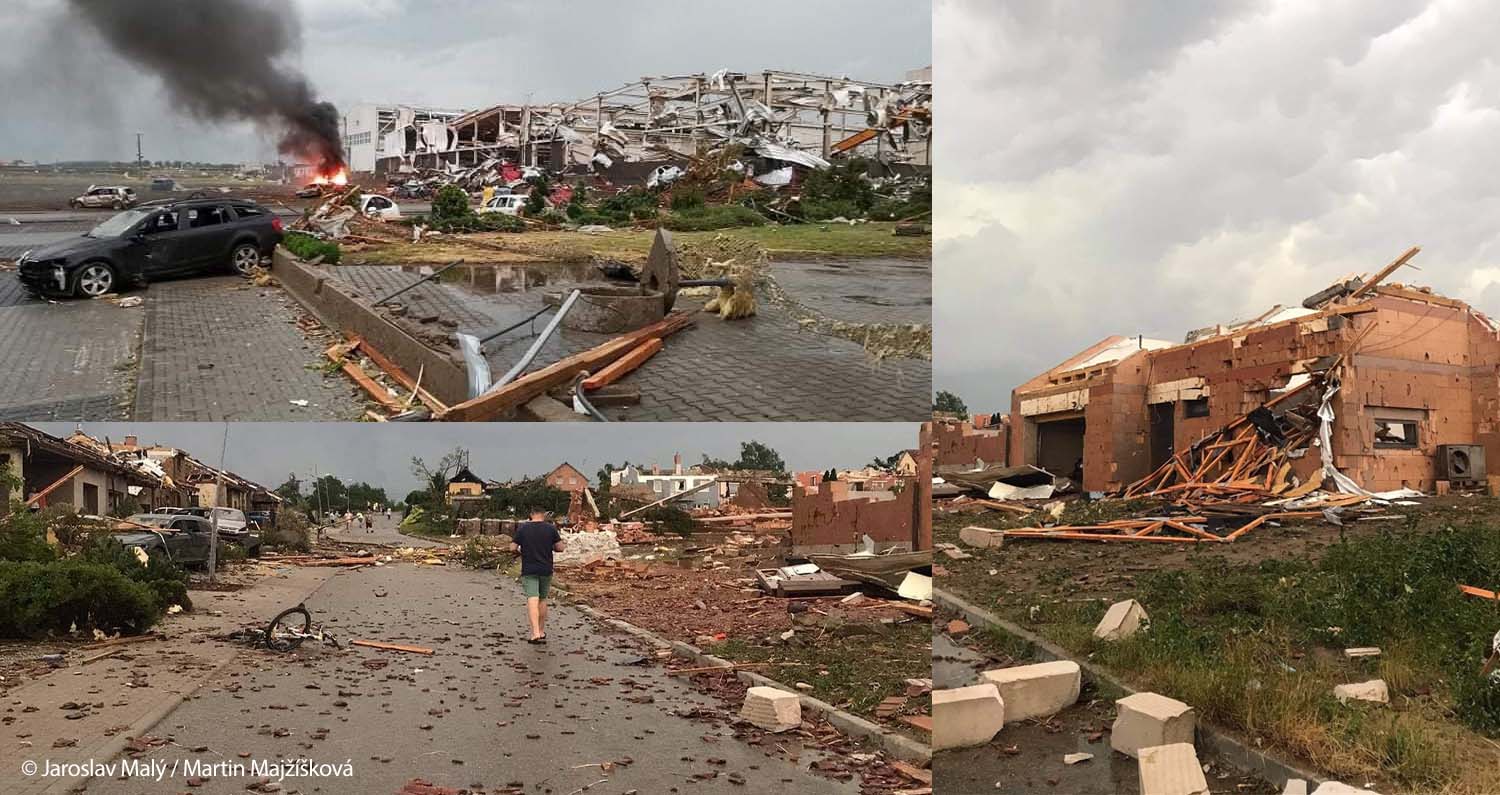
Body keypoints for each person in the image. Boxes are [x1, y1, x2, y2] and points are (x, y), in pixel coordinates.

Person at [510, 508, 564, 644]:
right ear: (544, 515)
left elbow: (512, 548)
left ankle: (534, 633)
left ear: (531, 515)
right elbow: (560, 548)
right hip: (546, 568)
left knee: (532, 599)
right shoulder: (551, 529)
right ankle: (541, 630)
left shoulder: (523, 528)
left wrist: (519, 552)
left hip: (529, 568)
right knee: (543, 599)